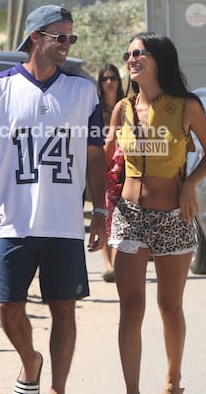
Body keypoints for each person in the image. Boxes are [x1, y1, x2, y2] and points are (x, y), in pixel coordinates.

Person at [0, 4, 107, 394]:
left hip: (63, 223)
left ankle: (58, 389)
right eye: (59, 37)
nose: (66, 44)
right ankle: (31, 360)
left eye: (71, 38)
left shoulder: (82, 91)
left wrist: (100, 211)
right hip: (13, 219)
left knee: (64, 309)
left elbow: (95, 154)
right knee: (8, 308)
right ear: (35, 37)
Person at [104, 32, 206, 394]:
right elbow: (104, 157)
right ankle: (132, 391)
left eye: (139, 52)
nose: (131, 59)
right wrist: (96, 206)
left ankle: (173, 380)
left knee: (169, 305)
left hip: (173, 216)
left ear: (158, 59)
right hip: (130, 217)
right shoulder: (122, 109)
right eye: (128, 54)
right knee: (131, 308)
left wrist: (191, 185)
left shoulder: (187, 106)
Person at [97, 63, 125, 283]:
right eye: (105, 78)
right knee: (104, 212)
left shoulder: (127, 106)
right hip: (101, 165)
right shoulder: (95, 108)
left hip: (124, 166)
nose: (109, 82)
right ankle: (108, 264)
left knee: (122, 215)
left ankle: (118, 262)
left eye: (113, 78)